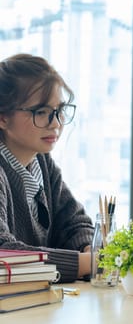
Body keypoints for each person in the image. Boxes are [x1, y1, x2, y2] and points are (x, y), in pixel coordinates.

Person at [0, 53, 94, 283]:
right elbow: (5, 254)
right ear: (3, 118)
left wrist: (89, 249)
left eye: (59, 110)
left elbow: (75, 222)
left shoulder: (41, 161)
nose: (56, 123)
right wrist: (86, 264)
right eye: (41, 112)